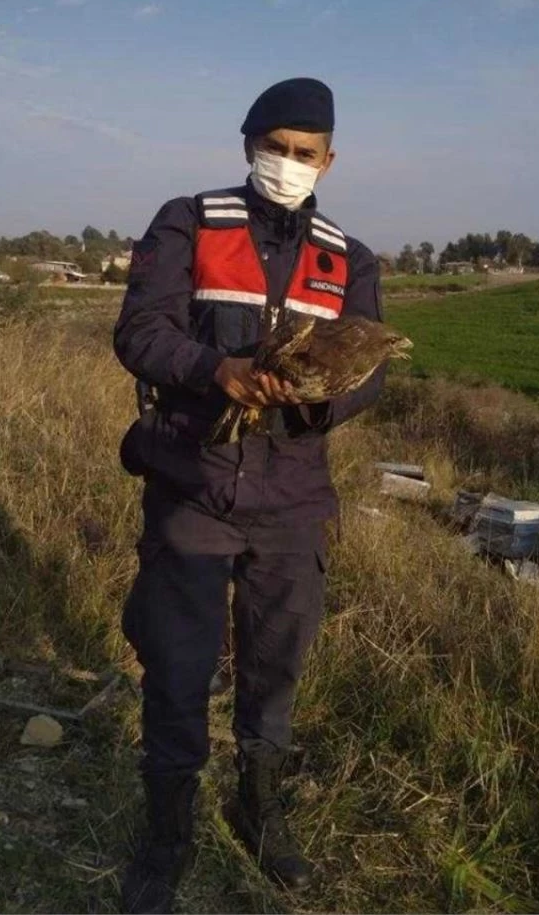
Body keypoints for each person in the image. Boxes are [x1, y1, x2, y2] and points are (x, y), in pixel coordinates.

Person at [114, 78, 386, 914]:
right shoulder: (190, 221)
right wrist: (216, 370)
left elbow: (369, 371)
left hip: (293, 494)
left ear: (329, 161)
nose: (288, 163)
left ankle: (259, 810)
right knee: (178, 666)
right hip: (194, 482)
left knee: (275, 668)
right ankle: (167, 835)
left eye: (306, 153)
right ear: (248, 145)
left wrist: (313, 395)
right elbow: (140, 331)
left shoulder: (350, 259)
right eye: (276, 147)